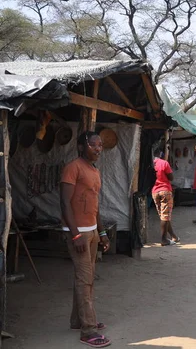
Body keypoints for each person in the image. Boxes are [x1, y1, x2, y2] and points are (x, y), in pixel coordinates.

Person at [60, 131, 111, 348]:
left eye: (100, 145)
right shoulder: (73, 168)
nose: (98, 149)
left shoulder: (94, 170)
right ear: (82, 146)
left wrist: (102, 233)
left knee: (85, 278)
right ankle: (87, 330)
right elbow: (64, 203)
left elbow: (95, 204)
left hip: (91, 232)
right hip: (78, 233)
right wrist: (76, 234)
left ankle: (77, 320)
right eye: (93, 145)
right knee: (85, 279)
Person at [151, 146, 179, 246]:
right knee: (165, 216)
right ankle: (164, 240)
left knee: (163, 216)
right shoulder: (164, 163)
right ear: (160, 154)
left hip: (155, 192)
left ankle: (174, 236)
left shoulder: (151, 164)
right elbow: (171, 177)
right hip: (165, 190)